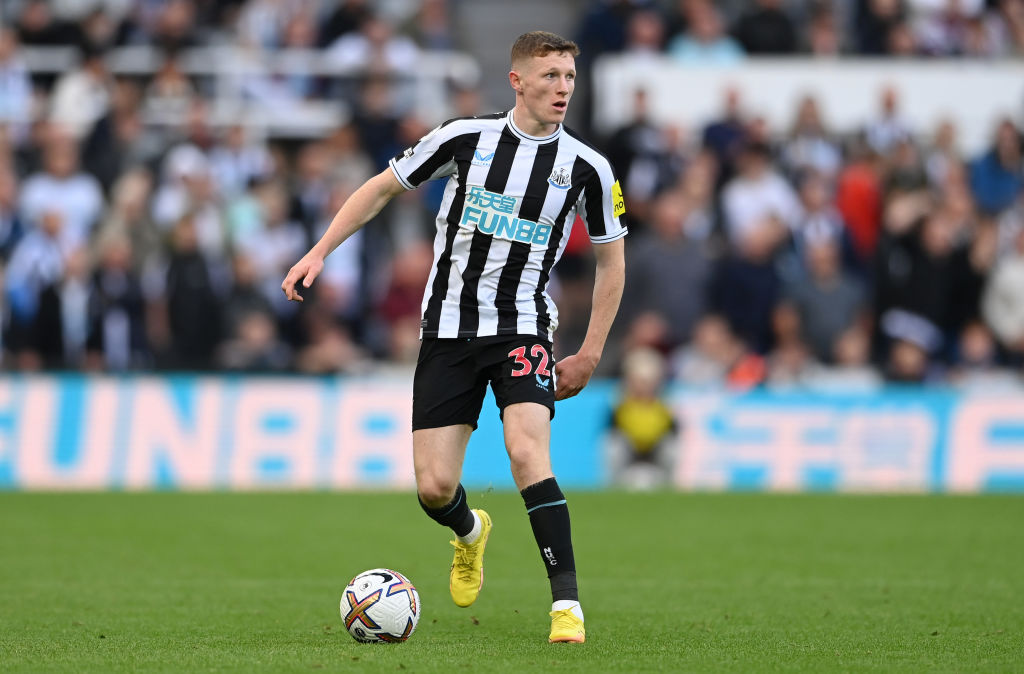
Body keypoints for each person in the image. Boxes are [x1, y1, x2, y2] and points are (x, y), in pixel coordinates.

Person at [281, 31, 627, 644]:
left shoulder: (587, 168)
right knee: (434, 486)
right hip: (446, 329)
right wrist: (320, 250)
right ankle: (470, 532)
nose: (563, 88)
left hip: (522, 326)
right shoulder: (462, 138)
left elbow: (611, 260)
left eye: (570, 77)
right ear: (517, 81)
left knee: (527, 452)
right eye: (550, 76)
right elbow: (382, 188)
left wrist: (591, 349)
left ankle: (566, 606)